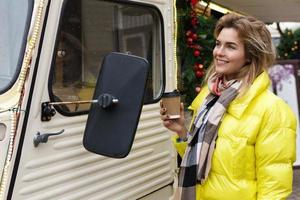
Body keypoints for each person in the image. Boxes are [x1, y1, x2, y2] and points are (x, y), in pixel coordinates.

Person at [160, 13, 297, 200]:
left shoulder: (272, 110)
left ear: (250, 56)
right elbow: (200, 161)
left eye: (230, 46)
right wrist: (182, 133)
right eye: (218, 44)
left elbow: (274, 190)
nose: (219, 52)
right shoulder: (209, 98)